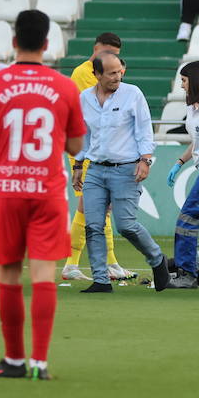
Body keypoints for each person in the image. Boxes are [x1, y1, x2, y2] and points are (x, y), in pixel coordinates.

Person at [0, 12, 81, 378]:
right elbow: (77, 145)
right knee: (45, 274)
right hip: (47, 190)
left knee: (9, 273)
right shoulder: (65, 87)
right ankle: (41, 362)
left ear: (13, 42)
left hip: (6, 190)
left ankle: (14, 359)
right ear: (47, 44)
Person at [72, 53, 170, 293]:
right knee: (93, 225)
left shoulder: (133, 94)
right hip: (95, 169)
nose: (118, 76)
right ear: (96, 75)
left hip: (126, 169)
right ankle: (101, 280)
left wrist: (145, 160)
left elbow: (145, 129)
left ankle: (157, 259)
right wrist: (77, 165)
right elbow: (83, 134)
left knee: (126, 225)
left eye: (119, 71)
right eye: (112, 73)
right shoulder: (84, 98)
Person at [64, 33, 130, 282]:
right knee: (92, 206)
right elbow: (99, 109)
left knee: (104, 208)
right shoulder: (84, 73)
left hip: (98, 148)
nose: (109, 58)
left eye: (114, 55)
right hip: (85, 147)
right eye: (106, 53)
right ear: (96, 49)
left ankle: (110, 262)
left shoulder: (103, 72)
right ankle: (71, 263)